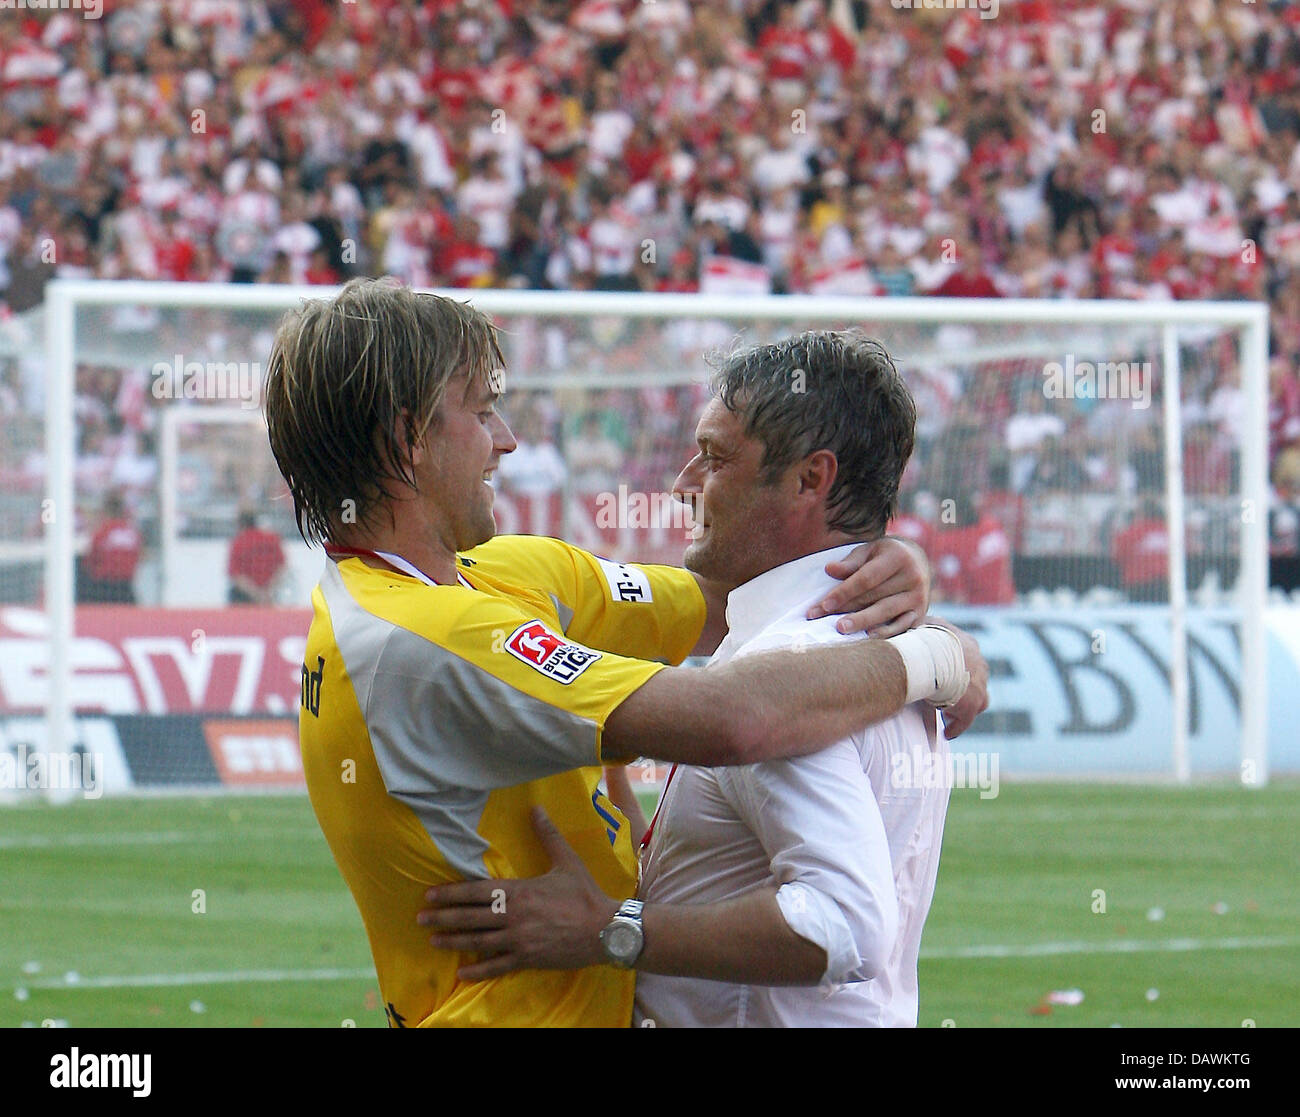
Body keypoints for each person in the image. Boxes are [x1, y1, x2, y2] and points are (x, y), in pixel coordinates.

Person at [263, 278, 984, 1028]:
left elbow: (730, 593)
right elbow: (736, 715)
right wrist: (938, 656)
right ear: (408, 438)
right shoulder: (420, 639)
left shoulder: (499, 575)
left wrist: (882, 563)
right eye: (481, 412)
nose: (507, 439)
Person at [77, 492, 142, 604]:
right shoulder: (132, 533)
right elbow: (139, 556)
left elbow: (90, 560)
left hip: (104, 590)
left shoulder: (103, 532)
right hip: (126, 589)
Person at [226, 509, 288, 605]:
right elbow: (282, 567)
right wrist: (268, 592)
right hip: (270, 594)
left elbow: (236, 575)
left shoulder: (239, 542)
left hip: (245, 597)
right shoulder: (272, 538)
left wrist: (256, 594)